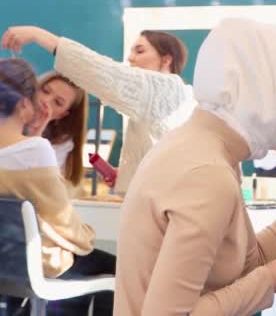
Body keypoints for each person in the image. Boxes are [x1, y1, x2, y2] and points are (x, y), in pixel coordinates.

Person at [114, 18, 276, 316]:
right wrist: (268, 282)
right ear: (273, 93)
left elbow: (248, 260)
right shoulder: (207, 173)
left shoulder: (201, 148)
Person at [1, 26, 194, 195]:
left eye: (140, 51)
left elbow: (99, 70)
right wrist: (129, 174)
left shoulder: (162, 88)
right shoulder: (181, 99)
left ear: (166, 60)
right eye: (45, 91)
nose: (130, 58)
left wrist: (38, 35)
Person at [0, 58, 114, 315]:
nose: (44, 103)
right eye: (44, 92)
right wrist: (86, 236)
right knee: (114, 267)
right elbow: (66, 225)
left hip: (7, 262)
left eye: (57, 102)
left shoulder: (35, 147)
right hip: (33, 264)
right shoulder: (37, 150)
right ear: (24, 101)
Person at [28, 71, 88, 196]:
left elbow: (34, 185)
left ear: (62, 115)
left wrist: (35, 134)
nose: (45, 100)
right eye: (45, 91)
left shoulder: (61, 144)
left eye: (58, 102)